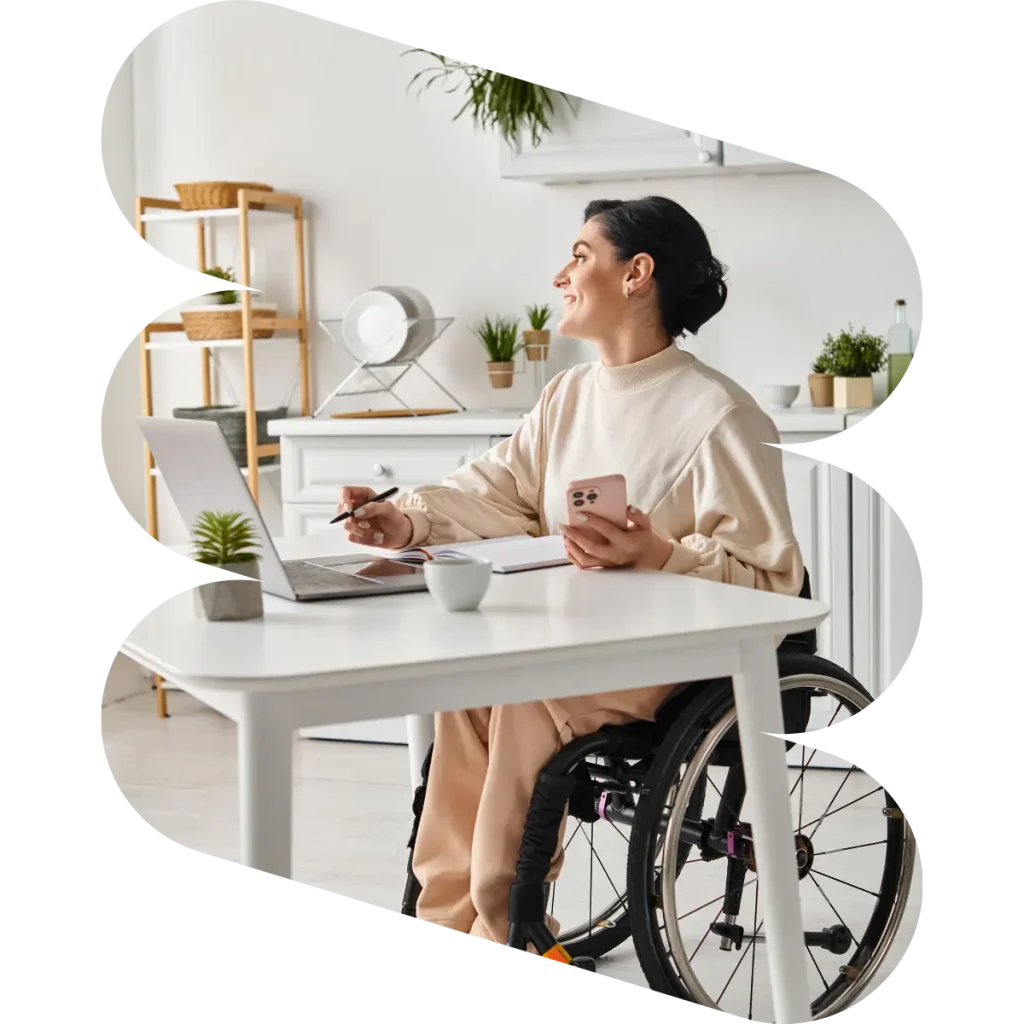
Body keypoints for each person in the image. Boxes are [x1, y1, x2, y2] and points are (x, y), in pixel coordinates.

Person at [335, 195, 805, 948]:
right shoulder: (570, 394)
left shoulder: (720, 414)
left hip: (674, 654)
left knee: (524, 692)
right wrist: (410, 518)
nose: (561, 273)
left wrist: (659, 554)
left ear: (636, 274)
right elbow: (498, 488)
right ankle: (442, 914)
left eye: (581, 255)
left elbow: (773, 580)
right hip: (584, 637)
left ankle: (504, 926)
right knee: (468, 688)